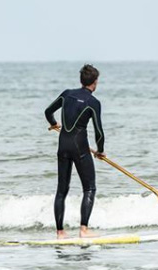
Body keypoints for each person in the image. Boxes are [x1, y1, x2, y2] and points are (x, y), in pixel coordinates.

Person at [44, 64, 106, 239]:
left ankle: (60, 232)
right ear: (94, 82)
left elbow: (48, 111)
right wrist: (100, 151)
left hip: (62, 145)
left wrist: (54, 123)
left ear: (81, 80)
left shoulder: (66, 94)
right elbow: (99, 132)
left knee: (61, 190)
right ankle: (84, 230)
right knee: (89, 188)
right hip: (80, 148)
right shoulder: (93, 102)